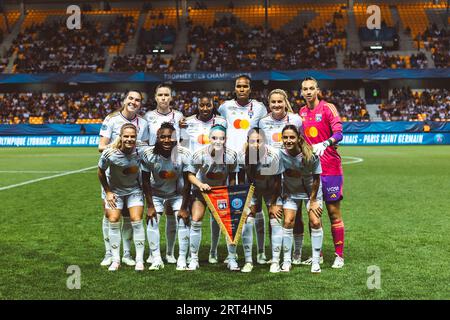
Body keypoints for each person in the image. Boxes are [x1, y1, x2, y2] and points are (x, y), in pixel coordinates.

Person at [218, 74, 268, 264]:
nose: (241, 89)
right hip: (231, 164)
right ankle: (233, 252)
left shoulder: (260, 108)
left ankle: (261, 251)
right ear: (234, 88)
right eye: (238, 86)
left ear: (250, 88)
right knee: (234, 207)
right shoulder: (225, 107)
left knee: (257, 206)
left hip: (253, 162)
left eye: (245, 86)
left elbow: (263, 132)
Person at [98, 90, 149, 267]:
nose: (133, 102)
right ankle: (109, 254)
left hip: (133, 177)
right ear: (125, 100)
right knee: (110, 215)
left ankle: (127, 253)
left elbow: (145, 148)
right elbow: (101, 146)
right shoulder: (111, 119)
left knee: (130, 216)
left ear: (140, 104)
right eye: (131, 98)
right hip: (113, 175)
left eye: (137, 100)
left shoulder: (143, 122)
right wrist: (116, 149)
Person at [299, 77, 345, 269]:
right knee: (313, 214)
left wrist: (325, 143)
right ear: (301, 92)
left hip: (331, 169)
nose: (308, 92)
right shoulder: (300, 113)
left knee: (333, 213)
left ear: (317, 90)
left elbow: (339, 133)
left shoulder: (328, 108)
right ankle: (318, 255)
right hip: (310, 172)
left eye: (311, 88)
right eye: (305, 89)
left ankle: (339, 256)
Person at [258, 89, 305, 264]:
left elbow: (302, 142)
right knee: (275, 213)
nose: (277, 105)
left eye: (280, 102)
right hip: (272, 173)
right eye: (273, 102)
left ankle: (297, 253)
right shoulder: (263, 122)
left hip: (292, 172)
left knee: (296, 214)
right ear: (269, 104)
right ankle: (275, 253)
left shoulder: (296, 120)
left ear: (285, 102)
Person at [180, 94, 227, 264]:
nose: (205, 108)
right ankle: (192, 256)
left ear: (213, 105)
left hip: (219, 175)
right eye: (202, 105)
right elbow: (183, 145)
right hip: (197, 175)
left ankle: (213, 251)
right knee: (195, 217)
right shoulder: (188, 122)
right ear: (198, 105)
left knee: (217, 218)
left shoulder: (222, 121)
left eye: (208, 105)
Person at [186, 124, 240, 271]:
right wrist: (200, 184)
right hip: (202, 192)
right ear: (209, 139)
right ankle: (194, 258)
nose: (218, 141)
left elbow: (233, 176)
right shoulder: (199, 154)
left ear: (226, 139)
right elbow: (190, 174)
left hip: (220, 193)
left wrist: (231, 193)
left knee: (229, 224)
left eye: (221, 138)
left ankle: (231, 258)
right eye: (214, 138)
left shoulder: (231, 155)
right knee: (196, 220)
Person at [271, 124, 323, 273]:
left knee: (315, 221)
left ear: (299, 139)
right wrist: (275, 202)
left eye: (292, 137)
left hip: (311, 193)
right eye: (285, 137)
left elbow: (316, 179)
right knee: (287, 221)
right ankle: (287, 261)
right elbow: (276, 179)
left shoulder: (310, 155)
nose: (288, 140)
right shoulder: (279, 155)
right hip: (291, 192)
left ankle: (315, 261)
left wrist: (313, 200)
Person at [141, 122, 192, 271]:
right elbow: (144, 180)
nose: (166, 140)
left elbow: (188, 182)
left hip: (176, 194)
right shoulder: (148, 154)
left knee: (183, 220)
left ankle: (181, 259)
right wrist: (150, 206)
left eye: (170, 137)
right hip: (156, 194)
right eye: (162, 137)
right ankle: (156, 258)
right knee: (152, 220)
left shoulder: (184, 154)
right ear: (157, 138)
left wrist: (184, 208)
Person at [144, 83, 184, 264]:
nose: (163, 98)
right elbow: (145, 142)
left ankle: (170, 252)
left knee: (172, 213)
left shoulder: (179, 116)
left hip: (174, 165)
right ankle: (154, 254)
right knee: (156, 213)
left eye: (166, 95)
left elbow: (182, 141)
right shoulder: (148, 117)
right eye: (160, 95)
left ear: (171, 97)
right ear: (155, 97)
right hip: (156, 165)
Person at [238, 127, 282, 272]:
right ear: (247, 142)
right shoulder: (242, 155)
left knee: (275, 218)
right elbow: (242, 180)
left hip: (271, 190)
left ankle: (275, 261)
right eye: (252, 141)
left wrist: (274, 204)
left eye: (259, 141)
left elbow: (277, 181)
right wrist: (246, 201)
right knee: (248, 219)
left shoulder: (273, 155)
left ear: (265, 141)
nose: (255, 144)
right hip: (252, 188)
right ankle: (249, 261)